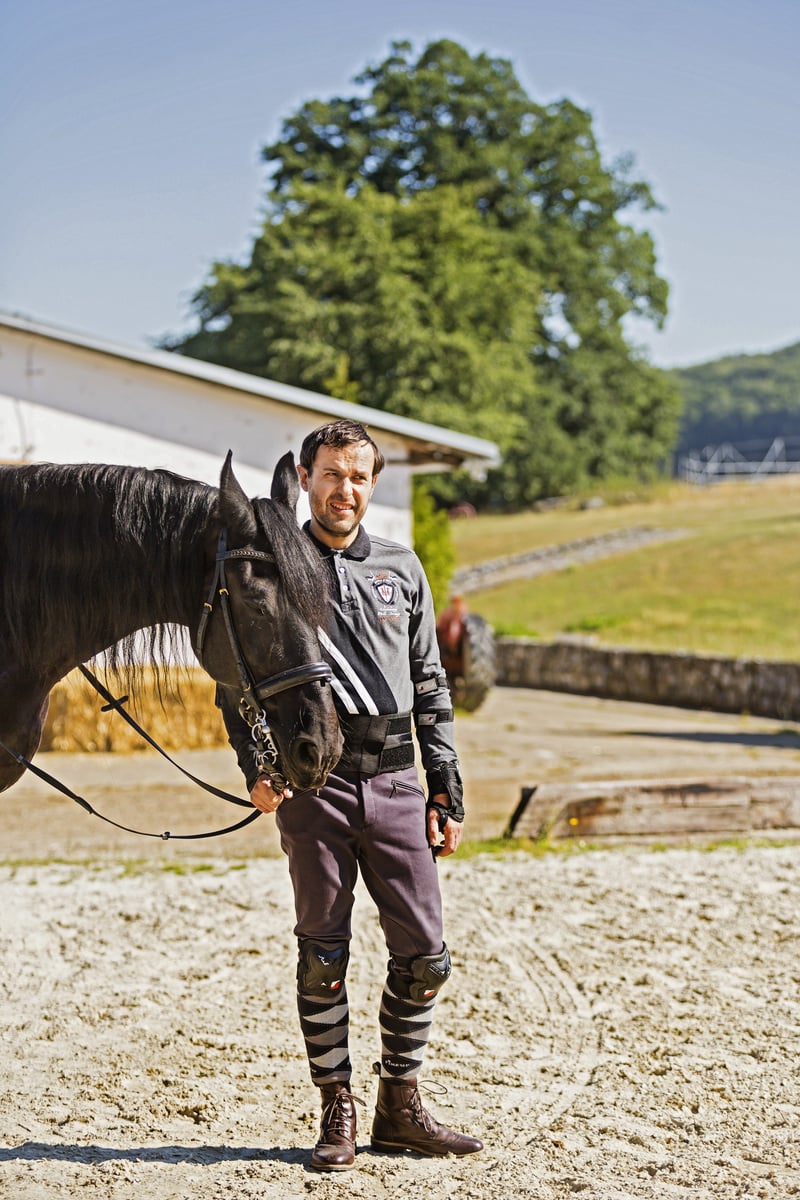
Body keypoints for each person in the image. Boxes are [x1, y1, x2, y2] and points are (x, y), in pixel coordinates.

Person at [219, 418, 482, 1172]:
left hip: (399, 779)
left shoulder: (402, 568)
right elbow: (231, 679)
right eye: (332, 473)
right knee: (322, 956)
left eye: (360, 476)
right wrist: (254, 763)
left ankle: (400, 1105)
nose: (347, 489)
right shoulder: (273, 565)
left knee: (426, 957)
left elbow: (431, 681)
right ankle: (336, 1108)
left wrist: (446, 788)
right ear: (306, 478)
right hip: (316, 785)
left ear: (374, 484)